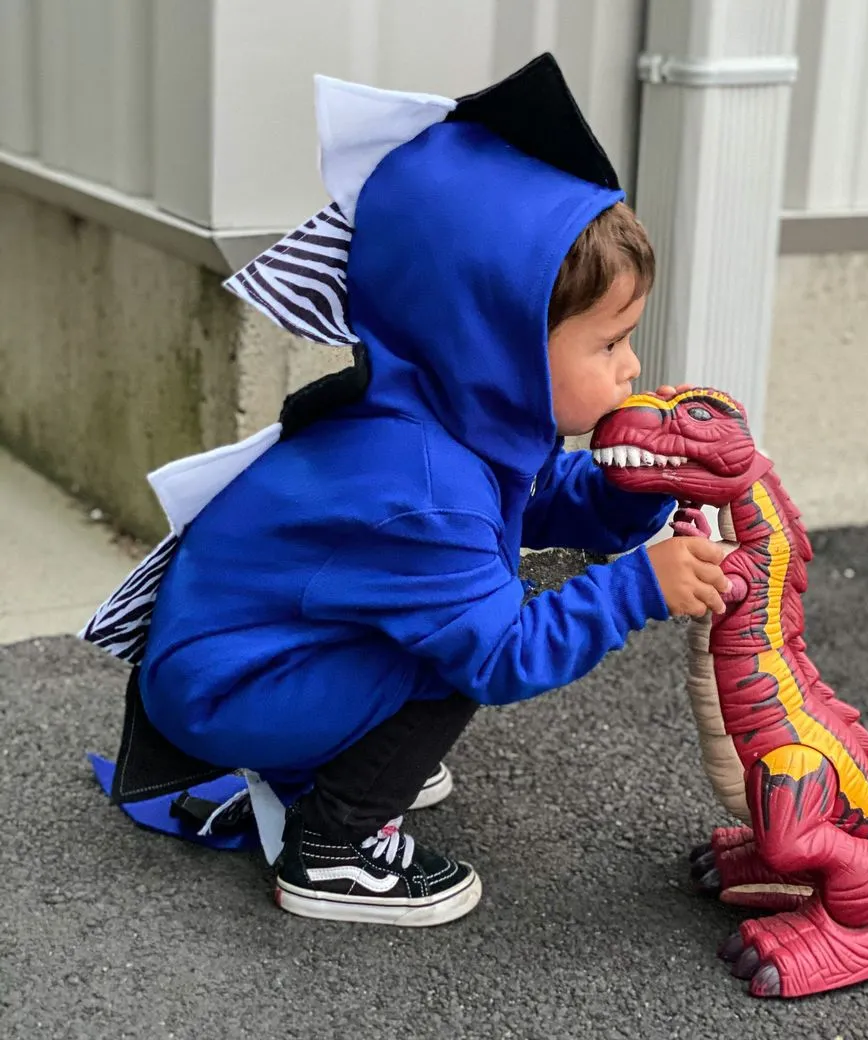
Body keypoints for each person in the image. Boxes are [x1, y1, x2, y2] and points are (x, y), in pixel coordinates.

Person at [134, 78, 731, 929]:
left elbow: (533, 496)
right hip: (231, 690)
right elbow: (499, 655)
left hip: (253, 652)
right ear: (499, 343)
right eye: (608, 342)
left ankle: (346, 755)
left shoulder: (451, 417)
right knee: (447, 660)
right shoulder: (425, 492)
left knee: (440, 635)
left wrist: (632, 491)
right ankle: (333, 849)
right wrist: (640, 587)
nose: (631, 367)